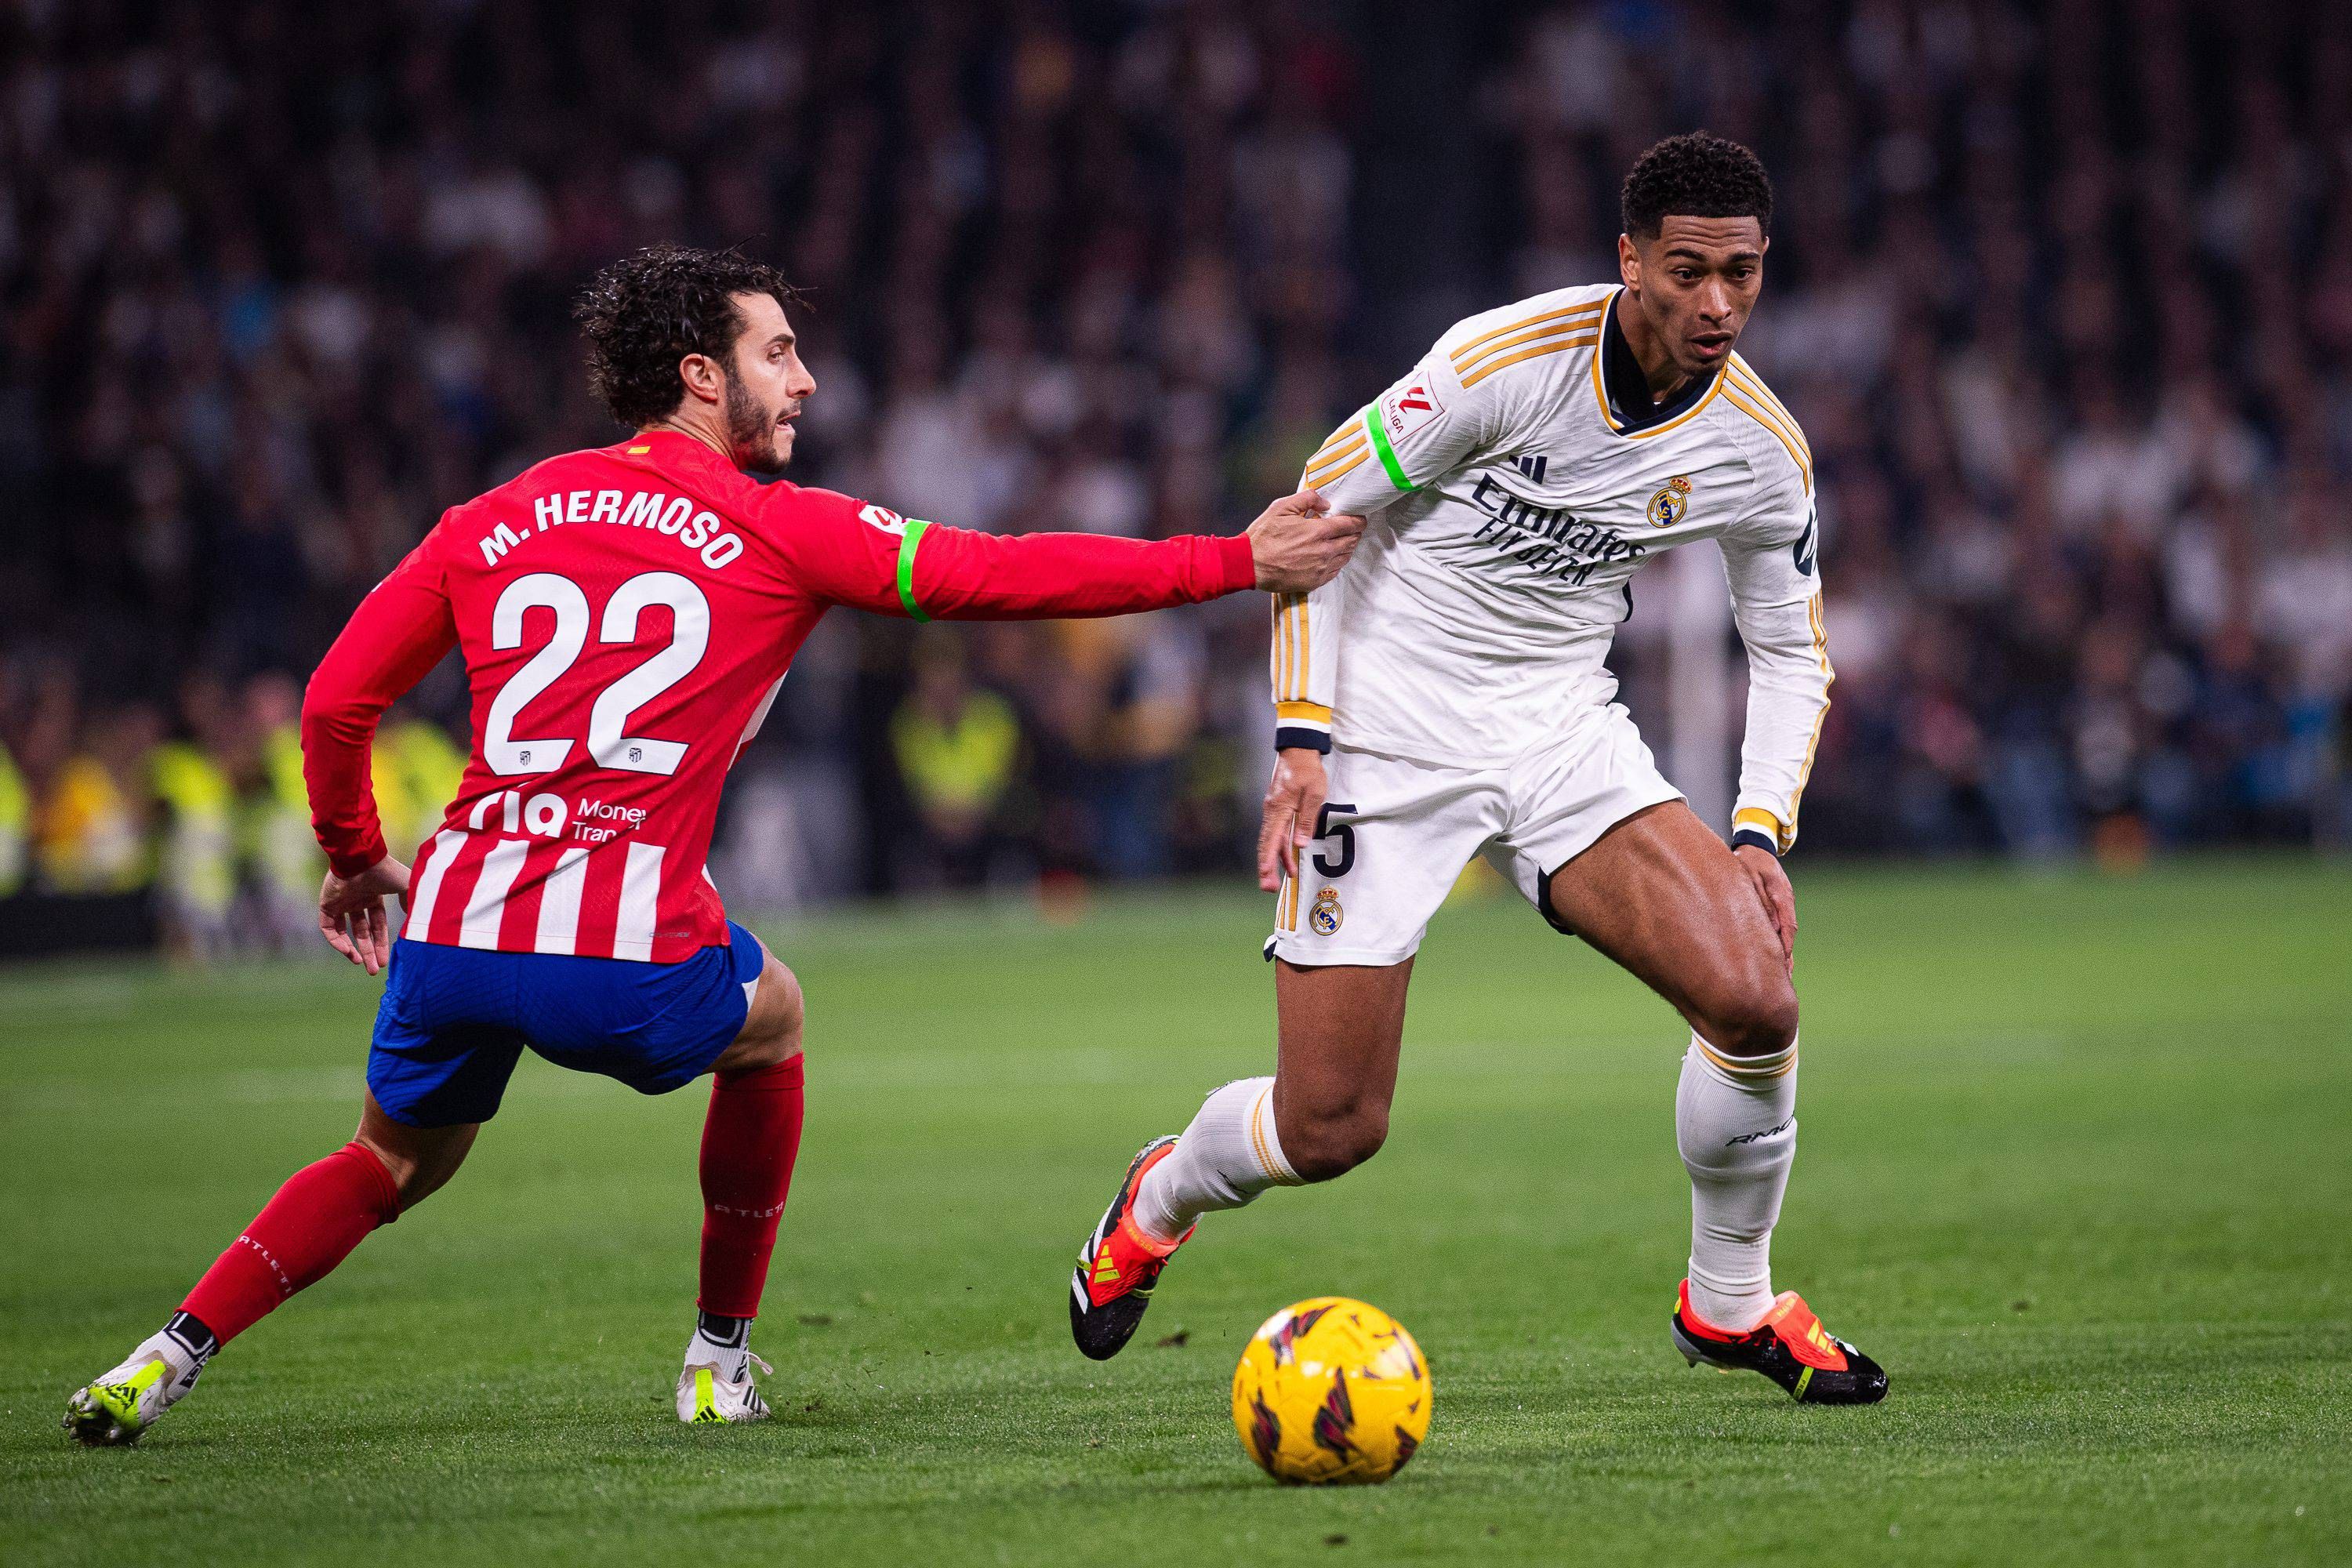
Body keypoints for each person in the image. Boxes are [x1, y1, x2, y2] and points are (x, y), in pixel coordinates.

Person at [64, 243, 1363, 1445]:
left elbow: (335, 699)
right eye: (777, 352)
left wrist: (353, 855)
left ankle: (162, 1357)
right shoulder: (779, 523)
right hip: (620, 949)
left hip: (453, 926)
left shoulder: (493, 514)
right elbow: (990, 575)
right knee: (778, 1017)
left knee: (388, 1160)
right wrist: (1229, 559)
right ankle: (717, 1360)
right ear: (702, 374)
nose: (803, 379)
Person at [1069, 134, 1886, 1405]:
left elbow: (1791, 648)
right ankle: (1161, 1191)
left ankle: (1727, 1302)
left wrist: (1758, 831)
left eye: (1744, 273)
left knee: (1756, 1004)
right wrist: (1301, 736)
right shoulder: (1500, 363)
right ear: (1629, 261)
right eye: (1688, 271)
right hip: (1385, 727)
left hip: (1561, 726)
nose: (1718, 303)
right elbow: (1311, 515)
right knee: (1333, 1125)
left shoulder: (1758, 448)